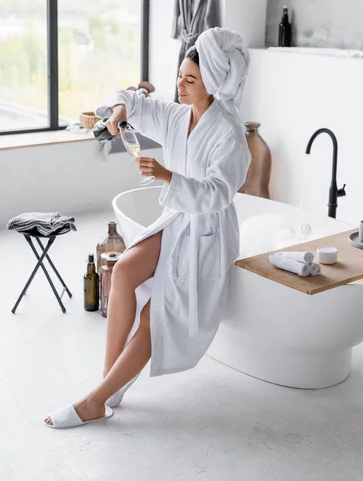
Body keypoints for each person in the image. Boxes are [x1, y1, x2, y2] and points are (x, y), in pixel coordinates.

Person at [44, 27, 252, 429]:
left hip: (206, 236)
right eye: (179, 76)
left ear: (213, 82)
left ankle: (94, 401)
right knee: (122, 271)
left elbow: (218, 195)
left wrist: (166, 175)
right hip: (176, 219)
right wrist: (121, 113)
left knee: (156, 316)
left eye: (190, 80)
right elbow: (134, 102)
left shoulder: (229, 135)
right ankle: (110, 388)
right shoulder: (178, 116)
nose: (180, 85)